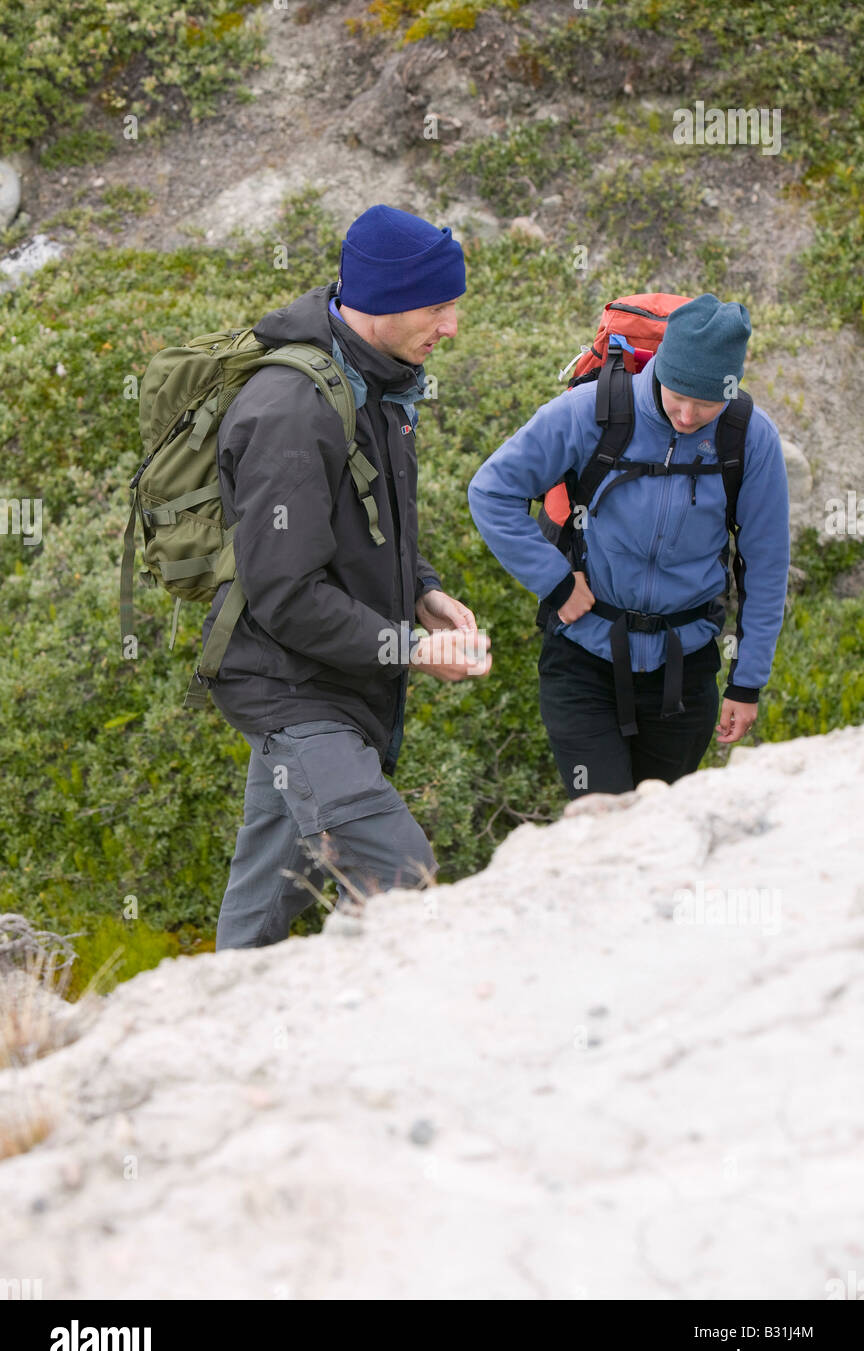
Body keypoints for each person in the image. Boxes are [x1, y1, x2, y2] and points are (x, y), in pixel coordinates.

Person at [209, 205, 490, 949]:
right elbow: (285, 595)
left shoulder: (377, 383)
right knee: (402, 879)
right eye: (438, 306)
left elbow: (366, 527)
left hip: (330, 681)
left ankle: (206, 1042)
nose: (452, 326)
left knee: (259, 917)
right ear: (384, 301)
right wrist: (409, 648)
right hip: (293, 688)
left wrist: (424, 592)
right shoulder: (293, 409)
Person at [468, 294, 789, 799]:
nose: (686, 415)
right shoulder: (589, 413)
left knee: (659, 827)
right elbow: (490, 491)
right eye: (677, 394)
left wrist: (746, 685)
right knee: (602, 820)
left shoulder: (750, 439)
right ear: (660, 368)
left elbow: (767, 565)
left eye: (706, 404)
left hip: (685, 671)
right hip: (582, 658)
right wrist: (554, 581)